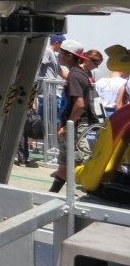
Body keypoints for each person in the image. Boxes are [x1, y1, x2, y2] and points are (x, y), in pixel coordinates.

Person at [49, 39, 97, 193]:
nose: (59, 56)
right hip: (74, 125)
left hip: (76, 126)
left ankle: (96, 190)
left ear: (70, 56)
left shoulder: (74, 76)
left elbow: (80, 104)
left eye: (61, 54)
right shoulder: (80, 74)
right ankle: (52, 194)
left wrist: (67, 125)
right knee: (64, 162)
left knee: (82, 161)